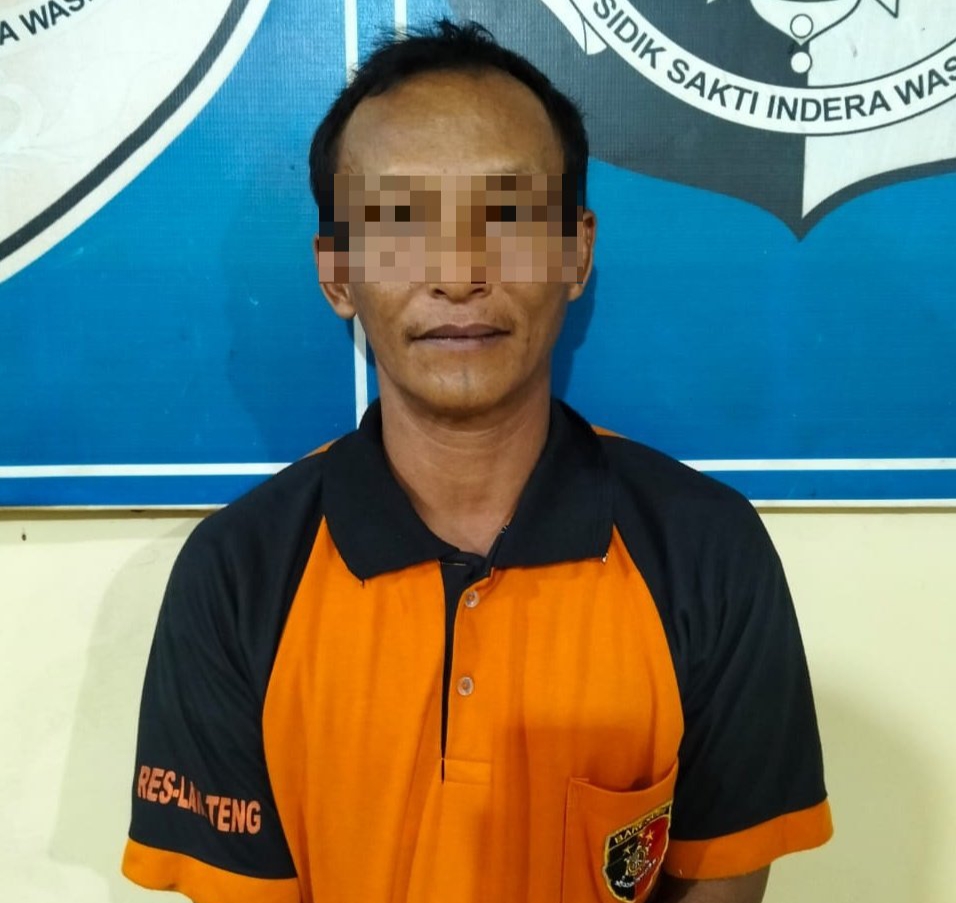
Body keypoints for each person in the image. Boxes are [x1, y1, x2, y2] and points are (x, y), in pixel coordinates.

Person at [122, 19, 832, 903]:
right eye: (401, 219)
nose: (459, 272)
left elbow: (722, 883)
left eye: (508, 215)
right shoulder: (237, 574)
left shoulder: (706, 551)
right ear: (336, 271)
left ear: (576, 251)